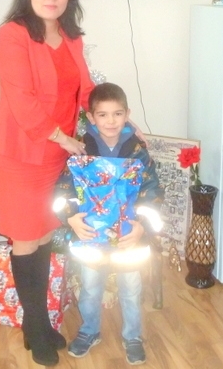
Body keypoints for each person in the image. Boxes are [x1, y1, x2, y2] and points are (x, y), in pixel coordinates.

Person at [0, 0, 95, 367]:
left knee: (48, 231)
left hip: (57, 154)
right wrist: (64, 138)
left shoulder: (70, 36)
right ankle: (35, 326)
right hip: (19, 151)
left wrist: (117, 120)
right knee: (26, 238)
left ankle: (41, 323)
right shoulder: (12, 34)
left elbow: (86, 90)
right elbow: (22, 100)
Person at [53, 82, 164, 366]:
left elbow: (151, 191)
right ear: (91, 117)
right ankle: (89, 330)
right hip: (91, 235)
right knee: (91, 287)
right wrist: (71, 217)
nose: (111, 121)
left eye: (117, 114)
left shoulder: (138, 151)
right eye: (103, 115)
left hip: (129, 237)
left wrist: (141, 225)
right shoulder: (82, 151)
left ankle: (133, 336)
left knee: (131, 288)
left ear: (127, 114)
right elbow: (64, 190)